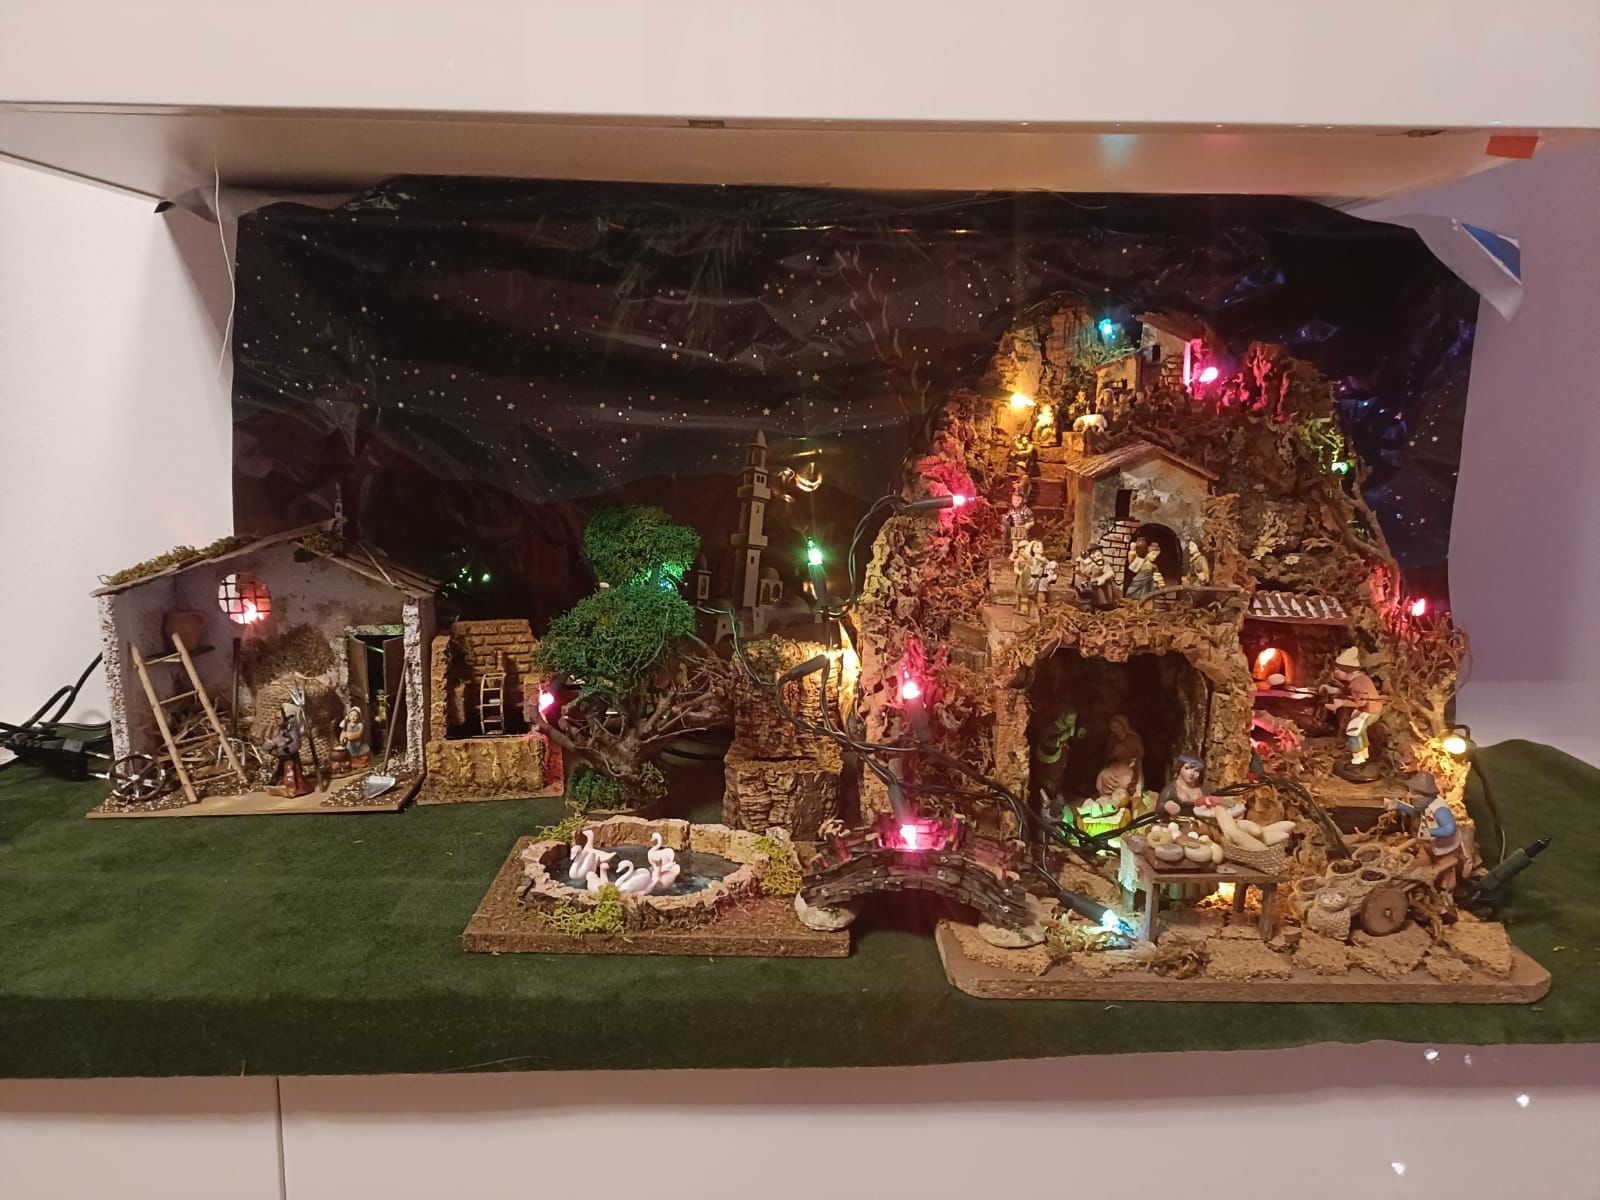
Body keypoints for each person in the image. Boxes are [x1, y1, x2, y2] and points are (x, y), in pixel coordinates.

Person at [1387, 771, 1465, 889]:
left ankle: (1445, 892)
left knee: (1445, 876)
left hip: (1444, 849)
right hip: (1428, 846)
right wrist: (1399, 805)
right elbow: (1415, 813)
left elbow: (1450, 828)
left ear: (1425, 795)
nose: (1412, 799)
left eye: (1415, 796)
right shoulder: (1424, 806)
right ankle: (1420, 883)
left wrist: (1431, 832)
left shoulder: (1440, 809)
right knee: (1419, 867)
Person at [1326, 646, 1383, 782]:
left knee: (1353, 731)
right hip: (1368, 709)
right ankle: (1363, 756)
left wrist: (1340, 703)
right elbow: (1351, 694)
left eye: (1338, 670)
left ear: (1347, 671)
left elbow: (1361, 701)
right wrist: (1333, 690)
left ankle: (1358, 760)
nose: (1335, 672)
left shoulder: (1357, 684)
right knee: (1359, 732)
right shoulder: (1360, 678)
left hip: (1369, 711)